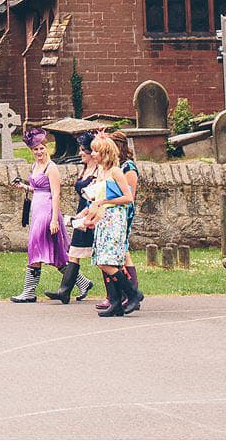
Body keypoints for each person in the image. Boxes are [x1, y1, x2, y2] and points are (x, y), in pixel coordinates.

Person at [78, 134, 143, 317]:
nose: (93, 154)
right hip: (103, 218)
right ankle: (115, 302)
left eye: (96, 151)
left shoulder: (116, 171)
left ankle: (132, 293)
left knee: (107, 261)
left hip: (115, 218)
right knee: (100, 260)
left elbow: (128, 198)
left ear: (105, 153)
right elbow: (96, 198)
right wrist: (86, 215)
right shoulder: (101, 171)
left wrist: (104, 201)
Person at [13, 127, 69, 301]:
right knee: (58, 253)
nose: (39, 152)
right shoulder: (35, 165)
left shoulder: (51, 168)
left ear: (47, 148)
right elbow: (38, 189)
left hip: (47, 211)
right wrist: (24, 187)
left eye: (41, 148)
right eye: (35, 149)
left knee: (35, 248)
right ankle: (82, 282)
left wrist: (54, 220)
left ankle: (29, 292)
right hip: (36, 209)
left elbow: (55, 194)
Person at [50, 133, 99, 303]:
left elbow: (97, 197)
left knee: (101, 256)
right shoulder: (85, 169)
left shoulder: (99, 171)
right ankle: (64, 291)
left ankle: (124, 289)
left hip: (93, 214)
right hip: (81, 212)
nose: (79, 153)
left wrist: (84, 215)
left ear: (90, 152)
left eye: (82, 150)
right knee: (74, 252)